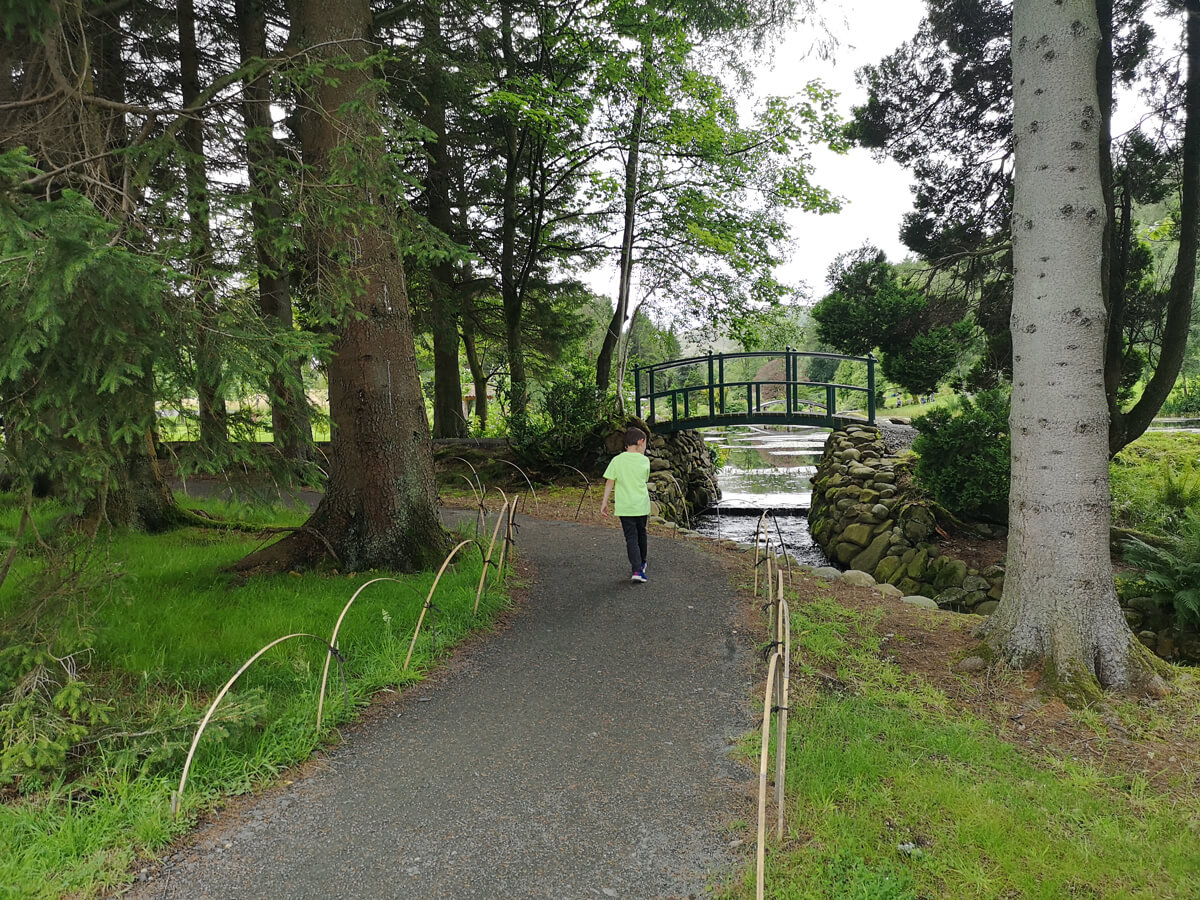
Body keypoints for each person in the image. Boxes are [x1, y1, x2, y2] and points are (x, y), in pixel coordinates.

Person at [600, 426, 651, 583]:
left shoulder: (617, 460)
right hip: (641, 505)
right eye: (645, 444)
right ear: (640, 442)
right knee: (641, 533)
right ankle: (642, 563)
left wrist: (604, 502)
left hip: (625, 506)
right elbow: (645, 479)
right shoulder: (644, 461)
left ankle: (636, 570)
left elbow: (610, 482)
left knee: (631, 537)